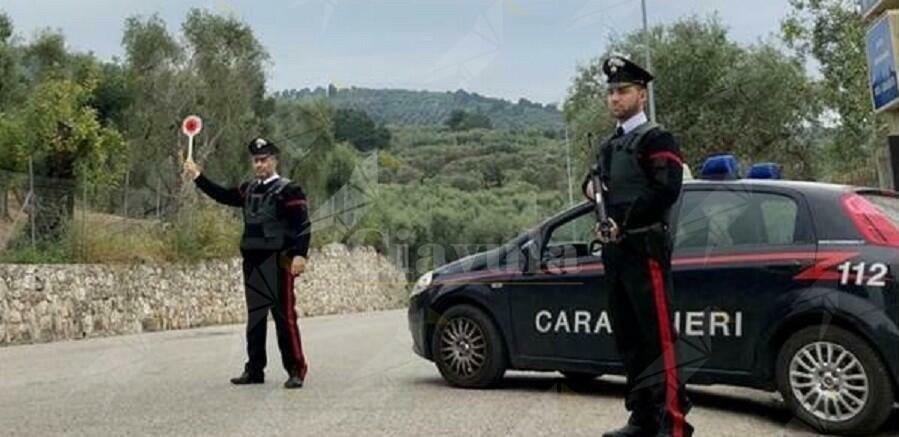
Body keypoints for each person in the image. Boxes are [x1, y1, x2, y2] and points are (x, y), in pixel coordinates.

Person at [581, 55, 693, 437]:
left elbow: (666, 188)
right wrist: (591, 189)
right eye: (611, 91)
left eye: (623, 90)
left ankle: (672, 425)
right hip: (616, 254)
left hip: (646, 250)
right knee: (629, 340)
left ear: (641, 95)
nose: (615, 98)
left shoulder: (657, 138)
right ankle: (642, 418)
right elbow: (591, 185)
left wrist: (623, 219)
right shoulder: (610, 144)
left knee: (658, 340)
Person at [183, 137, 311, 389]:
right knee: (255, 318)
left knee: (284, 318)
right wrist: (198, 176)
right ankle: (254, 369)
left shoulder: (290, 190)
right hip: (253, 261)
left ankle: (296, 369)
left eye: (264, 160)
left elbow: (302, 225)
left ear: (274, 160)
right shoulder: (249, 189)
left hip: (279, 261)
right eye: (256, 161)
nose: (260, 165)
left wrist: (300, 255)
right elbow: (222, 195)